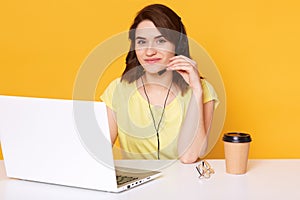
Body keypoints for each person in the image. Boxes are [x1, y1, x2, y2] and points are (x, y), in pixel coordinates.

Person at [100, 4, 218, 163]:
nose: (149, 52)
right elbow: (99, 150)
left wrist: (196, 90)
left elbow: (189, 157)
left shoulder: (203, 90)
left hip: (183, 184)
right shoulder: (117, 89)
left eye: (160, 41)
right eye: (141, 42)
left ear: (177, 44)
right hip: (136, 184)